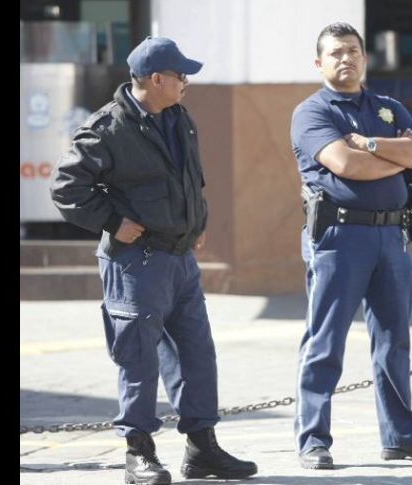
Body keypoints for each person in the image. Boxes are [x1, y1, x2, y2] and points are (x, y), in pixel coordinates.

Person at [50, 36, 258, 483]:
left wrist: (196, 224)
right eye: (181, 75)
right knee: (139, 360)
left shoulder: (179, 117)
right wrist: (112, 222)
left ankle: (202, 449)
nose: (187, 83)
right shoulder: (108, 128)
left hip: (180, 259)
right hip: (136, 263)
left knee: (196, 353)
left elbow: (191, 180)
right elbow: (66, 186)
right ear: (157, 79)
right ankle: (138, 453)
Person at [290, 22, 412, 470]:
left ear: (364, 57)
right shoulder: (312, 112)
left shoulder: (387, 107)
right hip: (339, 238)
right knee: (325, 343)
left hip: (391, 236)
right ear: (319, 63)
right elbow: (346, 164)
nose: (346, 58)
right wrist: (394, 158)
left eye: (353, 51)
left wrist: (373, 146)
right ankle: (313, 440)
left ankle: (402, 437)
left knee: (393, 342)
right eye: (336, 53)